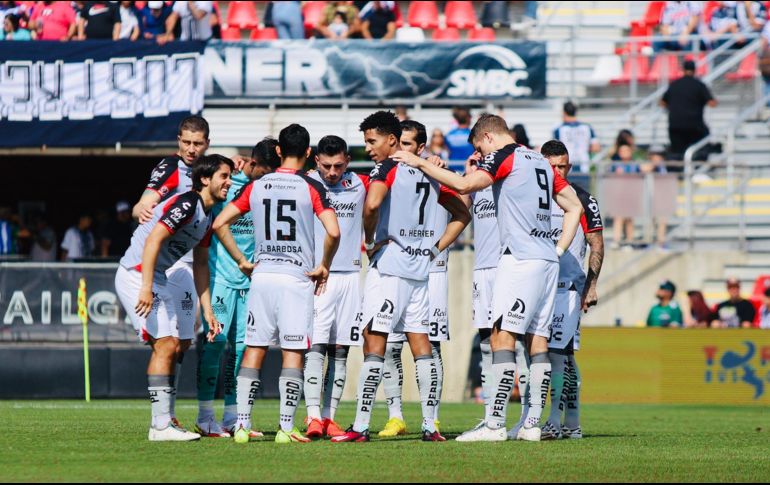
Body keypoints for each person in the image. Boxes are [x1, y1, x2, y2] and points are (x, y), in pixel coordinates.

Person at [392, 113, 584, 442]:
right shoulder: (539, 160)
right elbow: (574, 207)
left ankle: (494, 425)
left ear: (488, 137)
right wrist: (558, 249)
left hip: (518, 259)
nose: (481, 154)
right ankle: (531, 424)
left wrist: (418, 163)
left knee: (501, 337)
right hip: (546, 261)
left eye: (480, 146)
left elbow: (466, 185)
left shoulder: (504, 155)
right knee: (537, 340)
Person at [331, 111, 470, 443]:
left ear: (391, 140)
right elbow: (462, 214)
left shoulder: (388, 166)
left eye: (371, 141)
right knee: (421, 343)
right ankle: (430, 425)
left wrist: (368, 240)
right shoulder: (432, 172)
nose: (369, 149)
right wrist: (433, 250)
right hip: (421, 268)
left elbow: (372, 204)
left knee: (374, 338)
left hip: (391, 265)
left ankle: (361, 426)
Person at [213, 124, 340, 444]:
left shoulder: (257, 186)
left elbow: (219, 223)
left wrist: (242, 260)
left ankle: (241, 424)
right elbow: (334, 232)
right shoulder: (311, 186)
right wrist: (323, 265)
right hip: (295, 278)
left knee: (253, 349)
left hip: (263, 276)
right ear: (309, 153)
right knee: (293, 352)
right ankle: (286, 427)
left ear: (279, 151)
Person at [114, 154, 233, 441]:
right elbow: (154, 238)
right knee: (165, 345)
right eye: (224, 176)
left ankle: (164, 422)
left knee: (176, 345)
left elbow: (201, 264)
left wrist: (208, 312)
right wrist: (144, 286)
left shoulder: (208, 216)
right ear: (205, 179)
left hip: (158, 278)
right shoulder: (188, 203)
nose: (229, 182)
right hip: (137, 275)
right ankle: (160, 426)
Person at [376, 120, 462, 438]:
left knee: (429, 347)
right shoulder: (391, 174)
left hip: (431, 271)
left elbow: (462, 208)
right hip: (397, 268)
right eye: (399, 144)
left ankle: (432, 418)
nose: (402, 150)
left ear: (421, 148)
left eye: (409, 145)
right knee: (389, 347)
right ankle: (396, 416)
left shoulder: (437, 172)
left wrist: (435, 248)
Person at [195, 139, 280, 439]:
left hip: (252, 281)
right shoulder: (230, 181)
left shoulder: (271, 186)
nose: (270, 177)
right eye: (265, 171)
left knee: (243, 349)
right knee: (215, 344)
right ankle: (205, 416)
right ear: (253, 164)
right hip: (221, 276)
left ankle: (234, 417)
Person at [131, 115, 212, 430]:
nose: (191, 149)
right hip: (169, 262)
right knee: (169, 341)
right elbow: (144, 203)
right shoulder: (170, 167)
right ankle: (164, 416)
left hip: (191, 263)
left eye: (197, 143)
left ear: (207, 143)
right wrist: (143, 209)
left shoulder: (207, 173)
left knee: (185, 342)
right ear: (179, 140)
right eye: (186, 142)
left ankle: (170, 412)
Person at [304, 135, 368, 440]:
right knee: (316, 346)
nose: (332, 172)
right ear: (316, 161)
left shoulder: (360, 183)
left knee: (341, 350)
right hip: (318, 277)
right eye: (327, 166)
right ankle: (313, 415)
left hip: (350, 277)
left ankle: (329, 417)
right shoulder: (305, 184)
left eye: (338, 166)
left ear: (348, 162)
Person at [540, 140, 605, 441]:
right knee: (560, 357)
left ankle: (555, 420)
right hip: (538, 287)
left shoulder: (581, 198)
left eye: (563, 166)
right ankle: (573, 423)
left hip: (568, 290)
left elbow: (596, 243)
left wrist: (590, 286)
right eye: (552, 166)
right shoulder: (533, 195)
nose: (558, 171)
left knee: (557, 354)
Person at [660, 59, 717, 160]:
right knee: (700, 151)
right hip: (695, 126)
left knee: (677, 155)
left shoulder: (674, 85)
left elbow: (662, 102)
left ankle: (679, 174)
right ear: (694, 70)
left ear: (683, 70)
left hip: (675, 126)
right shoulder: (699, 85)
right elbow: (712, 103)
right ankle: (698, 172)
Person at [553, 101, 600, 174]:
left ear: (564, 112)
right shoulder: (587, 127)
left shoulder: (559, 129)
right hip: (584, 165)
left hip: (567, 167)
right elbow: (596, 148)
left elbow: (554, 150)